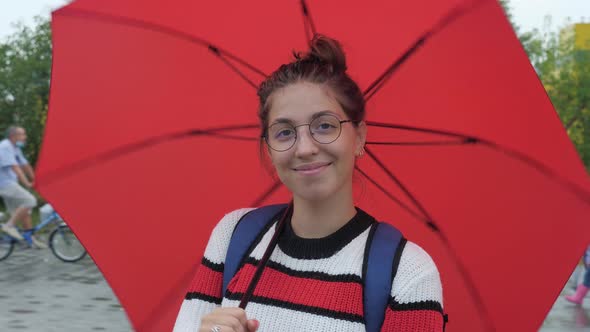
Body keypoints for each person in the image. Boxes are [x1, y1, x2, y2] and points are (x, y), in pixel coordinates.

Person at [174, 35, 444, 331]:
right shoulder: (232, 236)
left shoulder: (407, 274)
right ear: (268, 148)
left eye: (325, 126)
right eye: (284, 132)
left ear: (360, 137)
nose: (304, 148)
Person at [0, 126, 46, 249]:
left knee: (24, 212)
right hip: (4, 184)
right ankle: (8, 226)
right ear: (13, 136)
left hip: (8, 183)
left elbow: (25, 165)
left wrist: (36, 180)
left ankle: (30, 240)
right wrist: (27, 183)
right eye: (22, 134)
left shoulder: (15, 148)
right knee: (30, 201)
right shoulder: (5, 147)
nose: (25, 137)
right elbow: (15, 168)